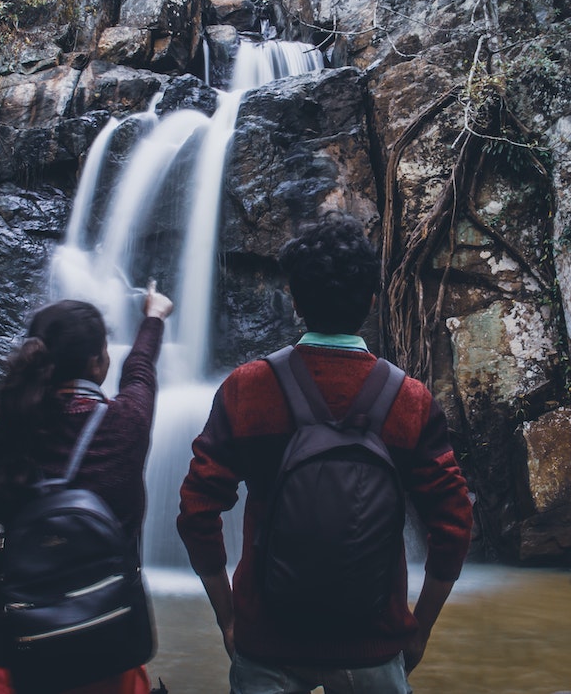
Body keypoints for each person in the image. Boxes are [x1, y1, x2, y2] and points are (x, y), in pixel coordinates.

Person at [177, 213, 473, 694]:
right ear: (373, 301)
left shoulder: (247, 389)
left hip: (266, 644)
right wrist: (420, 627)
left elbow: (196, 511)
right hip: (374, 646)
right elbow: (455, 523)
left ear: (294, 301)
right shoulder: (410, 400)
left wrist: (230, 618)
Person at [0, 288, 174, 694]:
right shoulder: (127, 423)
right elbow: (140, 371)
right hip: (108, 648)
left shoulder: (4, 434)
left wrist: (27, 549)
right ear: (98, 362)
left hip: (12, 652)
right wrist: (154, 316)